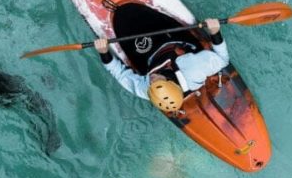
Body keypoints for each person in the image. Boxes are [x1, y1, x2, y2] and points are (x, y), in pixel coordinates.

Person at [94, 19, 229, 113]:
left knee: (127, 28)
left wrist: (104, 52)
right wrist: (215, 32)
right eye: (156, 81)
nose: (151, 80)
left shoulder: (147, 90)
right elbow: (223, 59)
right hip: (175, 40)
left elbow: (119, 73)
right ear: (170, 82)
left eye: (151, 84)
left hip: (149, 54)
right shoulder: (196, 68)